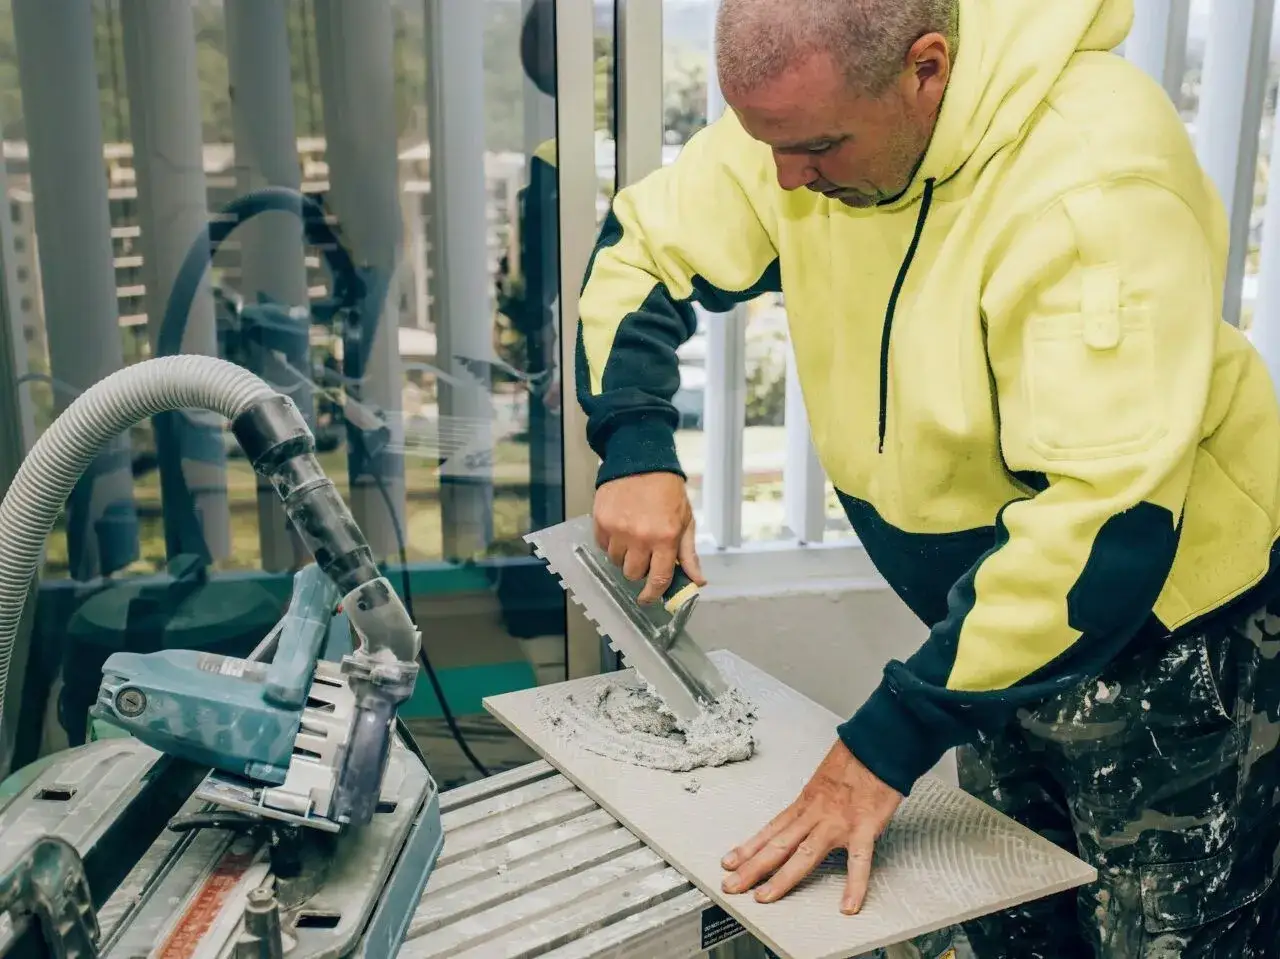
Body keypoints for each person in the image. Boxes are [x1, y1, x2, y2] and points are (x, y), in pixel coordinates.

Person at [578, 0, 1280, 955]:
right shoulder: (812, 116)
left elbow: (1102, 529)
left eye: (816, 147)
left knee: (1167, 936)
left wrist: (886, 741)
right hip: (996, 622)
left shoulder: (1094, 183)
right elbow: (643, 251)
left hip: (1165, 635)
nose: (785, 178)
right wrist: (635, 446)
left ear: (927, 69)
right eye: (769, 144)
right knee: (1010, 915)